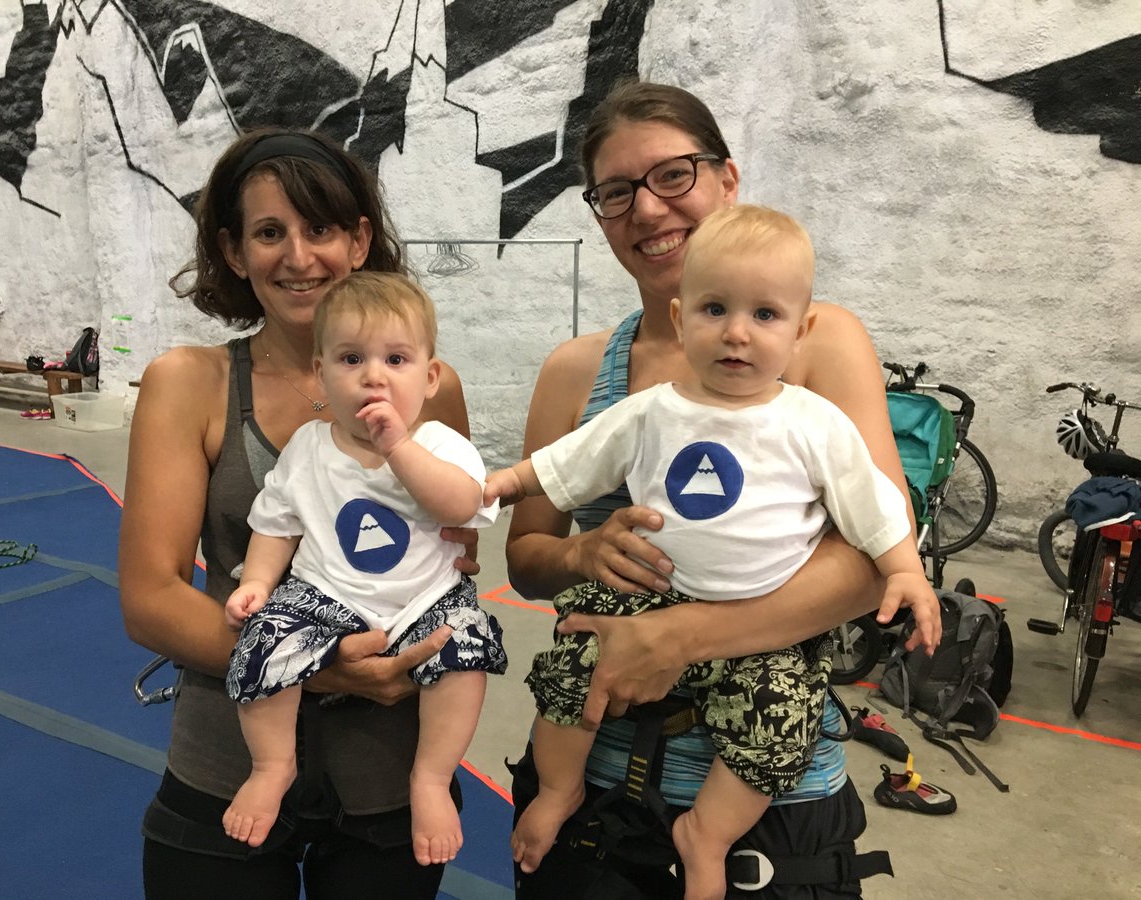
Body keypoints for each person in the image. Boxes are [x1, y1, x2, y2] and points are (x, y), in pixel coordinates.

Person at [503, 81, 943, 899]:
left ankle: (707, 832)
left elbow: (872, 557)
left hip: (765, 803)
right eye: (616, 191)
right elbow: (526, 560)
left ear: (727, 179)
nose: (648, 208)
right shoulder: (576, 371)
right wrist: (582, 554)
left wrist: (682, 636)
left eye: (674, 174)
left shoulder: (818, 346)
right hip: (592, 782)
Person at [118, 128, 480, 899]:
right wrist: (314, 664)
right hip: (229, 757)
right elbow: (150, 599)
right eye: (268, 233)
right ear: (233, 250)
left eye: (319, 228)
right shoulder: (189, 383)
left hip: (387, 768)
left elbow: (454, 541)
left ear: (359, 241)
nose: (298, 256)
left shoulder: (431, 390)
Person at [221, 272, 506, 864]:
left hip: (426, 598)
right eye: (352, 359)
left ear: (430, 377)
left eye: (395, 359)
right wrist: (256, 583)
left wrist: (398, 447)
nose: (374, 376)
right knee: (264, 640)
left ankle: (430, 777)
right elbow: (276, 523)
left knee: (467, 650)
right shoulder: (308, 447)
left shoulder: (440, 444)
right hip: (325, 594)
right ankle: (272, 765)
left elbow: (461, 505)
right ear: (322, 373)